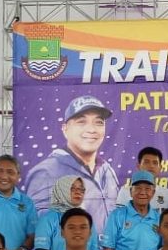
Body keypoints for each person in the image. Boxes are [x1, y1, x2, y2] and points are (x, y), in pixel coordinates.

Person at [23, 95, 120, 233]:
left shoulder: (107, 170)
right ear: (65, 129)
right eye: (81, 122)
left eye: (99, 122)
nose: (91, 129)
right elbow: (39, 227)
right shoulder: (46, 171)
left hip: (105, 248)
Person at [101, 170, 161, 250]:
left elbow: (162, 248)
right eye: (138, 188)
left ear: (153, 192)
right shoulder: (117, 215)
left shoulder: (159, 218)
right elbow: (108, 248)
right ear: (130, 191)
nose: (142, 192)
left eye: (147, 189)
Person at [34, 176, 99, 250]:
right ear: (62, 190)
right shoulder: (48, 219)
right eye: (72, 188)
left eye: (81, 189)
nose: (78, 192)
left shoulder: (85, 219)